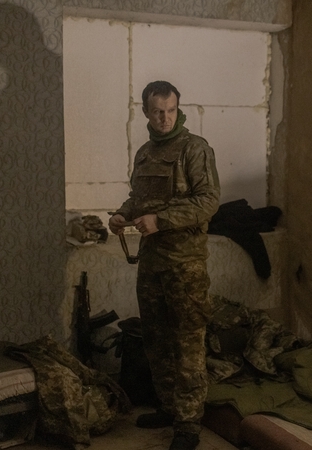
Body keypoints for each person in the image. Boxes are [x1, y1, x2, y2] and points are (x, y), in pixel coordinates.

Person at [108, 81, 220, 450]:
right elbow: (139, 198)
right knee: (155, 340)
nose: (164, 118)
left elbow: (208, 202)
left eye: (170, 110)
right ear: (145, 111)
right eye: (157, 111)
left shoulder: (194, 148)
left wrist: (162, 219)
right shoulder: (144, 153)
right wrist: (125, 214)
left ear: (178, 109)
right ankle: (170, 407)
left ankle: (188, 424)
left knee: (187, 342)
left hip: (184, 264)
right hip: (152, 263)